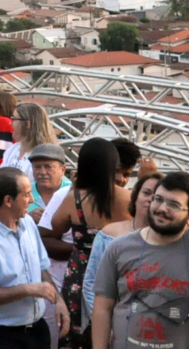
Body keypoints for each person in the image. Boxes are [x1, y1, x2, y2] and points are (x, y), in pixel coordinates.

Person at [90, 172, 189, 349]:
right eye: (158, 199)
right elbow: (103, 307)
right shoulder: (119, 247)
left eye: (173, 205)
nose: (162, 208)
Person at [0, 168, 67, 349]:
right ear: (8, 200)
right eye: (26, 195)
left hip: (36, 331)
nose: (32, 200)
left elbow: (42, 267)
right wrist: (27, 289)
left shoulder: (27, 223)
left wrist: (59, 301)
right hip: (0, 336)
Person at [44, 139, 131, 349]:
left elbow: (53, 229)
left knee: (77, 335)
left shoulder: (74, 199)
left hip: (80, 276)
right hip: (119, 274)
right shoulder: (129, 199)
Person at [81, 170, 159, 329]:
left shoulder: (174, 241)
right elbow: (91, 285)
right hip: (116, 327)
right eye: (146, 193)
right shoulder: (109, 235)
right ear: (135, 197)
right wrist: (106, 326)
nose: (151, 199)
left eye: (159, 197)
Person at [1, 104, 58, 184]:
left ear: (27, 124)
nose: (10, 123)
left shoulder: (47, 155)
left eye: (14, 119)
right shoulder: (12, 150)